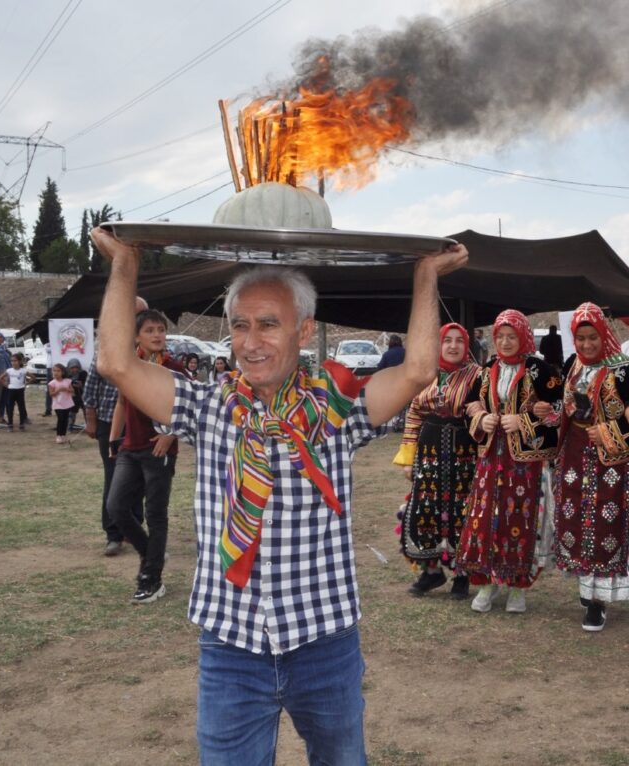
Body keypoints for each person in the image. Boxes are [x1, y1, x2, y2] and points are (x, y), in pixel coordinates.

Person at [91, 224, 467, 764]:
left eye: (269, 324)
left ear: (304, 329)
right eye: (240, 325)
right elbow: (116, 364)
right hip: (231, 645)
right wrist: (125, 262)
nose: (250, 341)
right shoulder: (208, 406)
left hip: (325, 642)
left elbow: (418, 370)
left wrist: (426, 273)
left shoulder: (338, 413)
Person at [550, 303, 629, 632]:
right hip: (575, 456)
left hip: (612, 461)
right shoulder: (574, 366)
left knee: (605, 525)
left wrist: (610, 430)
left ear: (604, 335)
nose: (585, 345)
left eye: (591, 337)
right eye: (580, 338)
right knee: (578, 524)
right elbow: (567, 410)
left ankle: (599, 601)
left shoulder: (625, 370)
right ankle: (587, 589)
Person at [457, 310, 563, 615]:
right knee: (485, 517)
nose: (505, 342)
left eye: (511, 336)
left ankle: (518, 587)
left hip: (526, 463)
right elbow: (472, 404)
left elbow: (559, 412)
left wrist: (526, 421)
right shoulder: (487, 368)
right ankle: (487, 584)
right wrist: (482, 418)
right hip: (491, 459)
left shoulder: (543, 371)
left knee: (522, 519)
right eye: (500, 336)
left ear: (523, 337)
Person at [392, 323, 481, 599]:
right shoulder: (427, 374)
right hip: (428, 450)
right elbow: (414, 414)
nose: (453, 346)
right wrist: (408, 459)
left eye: (459, 341)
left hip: (464, 451)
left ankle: (462, 575)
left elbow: (483, 412)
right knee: (425, 508)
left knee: (462, 510)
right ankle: (431, 571)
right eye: (447, 341)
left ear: (467, 346)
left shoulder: (478, 376)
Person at [107, 309, 189, 604]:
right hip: (130, 447)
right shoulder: (129, 367)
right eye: (150, 330)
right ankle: (152, 553)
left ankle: (151, 578)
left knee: (155, 515)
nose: (157, 335)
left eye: (161, 329)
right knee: (116, 507)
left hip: (159, 450)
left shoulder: (174, 367)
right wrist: (114, 438)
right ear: (136, 336)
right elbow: (120, 403)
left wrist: (171, 435)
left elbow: (192, 407)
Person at [83, 295, 150, 558]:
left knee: (141, 478)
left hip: (143, 426)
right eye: (134, 315)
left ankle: (134, 528)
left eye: (141, 314)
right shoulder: (108, 347)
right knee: (114, 477)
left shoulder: (148, 349)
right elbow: (91, 386)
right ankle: (113, 533)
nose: (138, 320)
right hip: (110, 422)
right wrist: (91, 419)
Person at [0, 353, 31, 431]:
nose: (13, 362)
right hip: (11, 391)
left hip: (20, 390)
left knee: (21, 408)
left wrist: (26, 383)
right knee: (10, 408)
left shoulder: (23, 371)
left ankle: (21, 424)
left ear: (20, 362)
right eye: (12, 361)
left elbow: (33, 377)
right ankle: (10, 424)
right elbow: (0, 378)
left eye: (15, 361)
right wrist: (6, 385)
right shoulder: (9, 371)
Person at [48, 363, 75, 444]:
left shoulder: (67, 381)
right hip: (58, 404)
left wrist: (66, 389)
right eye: (54, 371)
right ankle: (59, 435)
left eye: (58, 371)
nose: (56, 373)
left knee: (65, 419)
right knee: (61, 419)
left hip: (67, 403)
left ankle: (63, 435)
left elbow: (73, 391)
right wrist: (58, 390)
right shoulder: (52, 383)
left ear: (63, 372)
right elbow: (51, 394)